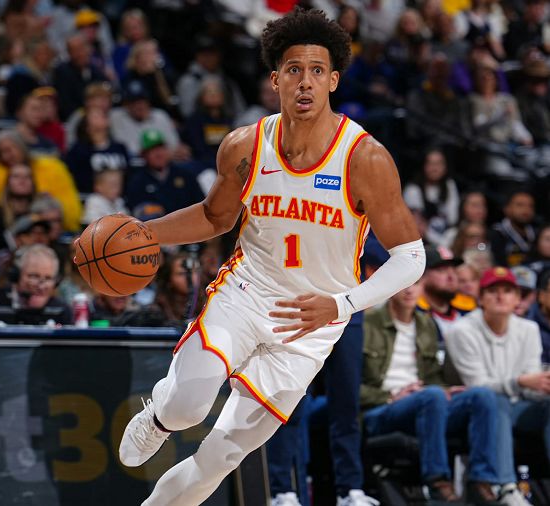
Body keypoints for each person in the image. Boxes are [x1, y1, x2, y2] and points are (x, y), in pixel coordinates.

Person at [102, 9, 425, 506]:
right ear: (276, 80)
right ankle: (160, 415)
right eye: (294, 69)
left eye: (317, 70)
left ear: (333, 80)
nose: (305, 82)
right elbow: (214, 217)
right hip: (246, 293)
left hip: (312, 322)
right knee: (188, 407)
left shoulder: (365, 158)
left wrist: (341, 304)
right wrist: (146, 233)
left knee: (221, 456)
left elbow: (411, 257)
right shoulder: (245, 146)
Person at [362, 280, 504, 504]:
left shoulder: (426, 324)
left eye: (416, 283)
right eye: (403, 282)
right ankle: (437, 480)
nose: (409, 289)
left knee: (481, 396)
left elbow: (432, 377)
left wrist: (446, 390)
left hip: (423, 403)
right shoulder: (367, 324)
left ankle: (481, 480)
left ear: (423, 288)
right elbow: (348, 387)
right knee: (432, 396)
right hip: (380, 408)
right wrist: (390, 397)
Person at [445, 266, 550, 504]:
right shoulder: (460, 331)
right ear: (481, 298)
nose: (500, 297)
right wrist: (520, 382)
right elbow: (477, 387)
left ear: (517, 298)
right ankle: (506, 487)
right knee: (495, 401)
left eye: (507, 291)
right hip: (472, 410)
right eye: (493, 291)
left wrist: (542, 386)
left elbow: (531, 382)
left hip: (519, 405)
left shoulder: (529, 329)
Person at [0, 243, 71, 325]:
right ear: (16, 275)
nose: (41, 286)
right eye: (34, 276)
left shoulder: (62, 311)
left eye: (48, 278)